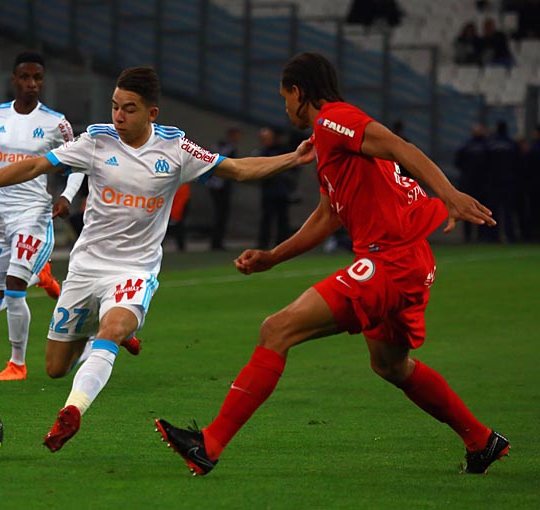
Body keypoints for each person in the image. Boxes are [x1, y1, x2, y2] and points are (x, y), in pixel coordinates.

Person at [155, 52, 508, 477]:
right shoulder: (327, 145)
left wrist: (449, 194)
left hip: (390, 260)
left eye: (285, 97)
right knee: (390, 365)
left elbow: (401, 147)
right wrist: (272, 257)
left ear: (299, 93)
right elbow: (328, 215)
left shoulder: (333, 120)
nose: (284, 107)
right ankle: (480, 439)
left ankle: (209, 444)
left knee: (277, 328)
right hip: (407, 260)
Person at [0, 66, 312, 453]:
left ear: (152, 113)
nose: (118, 116)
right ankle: (111, 332)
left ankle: (72, 412)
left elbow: (237, 170)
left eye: (128, 109)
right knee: (56, 367)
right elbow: (35, 166)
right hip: (85, 268)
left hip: (135, 269)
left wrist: (292, 159)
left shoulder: (176, 148)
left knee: (110, 330)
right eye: (115, 106)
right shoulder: (96, 140)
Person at [0, 51, 86, 381]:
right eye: (26, 78)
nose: (32, 84)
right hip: (0, 220)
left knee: (14, 288)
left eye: (38, 79)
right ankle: (41, 276)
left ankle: (17, 363)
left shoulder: (56, 122)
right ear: (14, 79)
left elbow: (78, 165)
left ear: (42, 82)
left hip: (33, 215)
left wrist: (65, 196)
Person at [256, 126, 292, 249]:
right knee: (266, 218)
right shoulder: (263, 153)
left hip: (281, 191)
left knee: (282, 219)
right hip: (268, 191)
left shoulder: (282, 151)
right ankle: (263, 243)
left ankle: (282, 244)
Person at [206, 127, 242, 251]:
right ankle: (217, 242)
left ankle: (216, 241)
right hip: (222, 186)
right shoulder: (230, 149)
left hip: (212, 184)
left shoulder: (216, 146)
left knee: (218, 214)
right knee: (221, 214)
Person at [454, 124, 489, 243]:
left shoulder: (466, 146)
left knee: (468, 209)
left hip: (468, 183)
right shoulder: (487, 146)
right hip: (483, 184)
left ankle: (468, 235)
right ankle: (482, 235)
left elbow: (458, 163)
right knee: (482, 209)